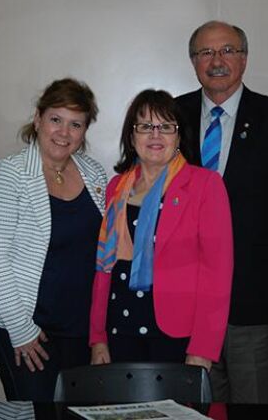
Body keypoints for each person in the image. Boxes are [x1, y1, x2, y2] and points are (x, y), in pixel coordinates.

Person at [175, 20, 268, 403]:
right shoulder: (171, 117)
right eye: (206, 52)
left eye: (228, 50)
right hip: (185, 303)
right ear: (193, 61)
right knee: (194, 409)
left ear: (245, 59)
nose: (217, 60)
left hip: (255, 304)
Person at [0, 78, 107, 401]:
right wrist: (21, 329)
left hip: (78, 326)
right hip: (22, 324)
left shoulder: (94, 173)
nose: (64, 132)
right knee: (37, 412)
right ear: (38, 119)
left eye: (75, 124)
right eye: (55, 120)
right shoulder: (10, 174)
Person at [89, 89, 233, 369]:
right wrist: (98, 338)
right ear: (132, 137)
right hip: (119, 328)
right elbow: (104, 268)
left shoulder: (205, 185)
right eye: (145, 127)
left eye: (166, 127)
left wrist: (203, 349)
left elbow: (217, 275)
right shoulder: (116, 188)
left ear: (179, 137)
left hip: (177, 335)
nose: (155, 135)